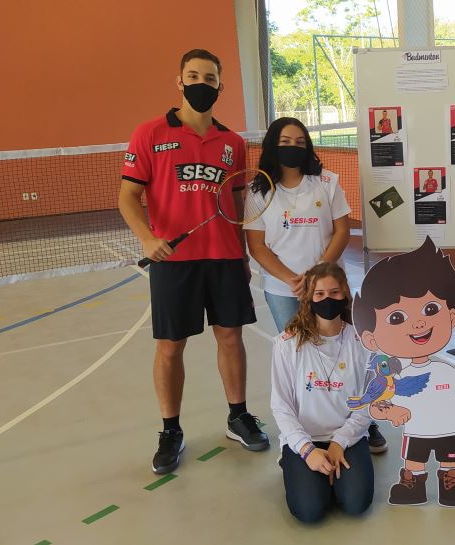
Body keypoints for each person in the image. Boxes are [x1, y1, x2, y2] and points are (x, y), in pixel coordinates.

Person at [118, 48, 269, 475]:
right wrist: (147, 238)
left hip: (223, 256)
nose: (202, 83)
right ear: (180, 82)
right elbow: (127, 196)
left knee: (231, 338)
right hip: (174, 259)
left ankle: (238, 416)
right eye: (193, 75)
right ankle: (170, 430)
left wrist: (241, 254)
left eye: (210, 77)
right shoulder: (149, 134)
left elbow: (236, 201)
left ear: (220, 86)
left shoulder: (233, 144)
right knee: (170, 347)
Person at [246, 117, 387, 454]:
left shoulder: (326, 181)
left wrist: (318, 277)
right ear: (271, 146)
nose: (292, 147)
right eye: (284, 141)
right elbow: (258, 246)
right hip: (284, 290)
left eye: (299, 141)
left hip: (329, 287)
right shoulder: (258, 191)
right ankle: (306, 429)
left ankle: (364, 419)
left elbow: (341, 230)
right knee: (300, 354)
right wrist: (290, 278)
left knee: (349, 350)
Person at [354, 237, 455, 507]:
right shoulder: (392, 373)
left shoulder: (443, 371)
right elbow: (376, 404)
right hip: (415, 432)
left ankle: (451, 482)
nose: (418, 323)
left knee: (451, 460)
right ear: (371, 338)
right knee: (414, 461)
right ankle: (412, 483)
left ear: (451, 317)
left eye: (430, 309)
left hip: (448, 431)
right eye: (396, 317)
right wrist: (389, 411)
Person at [270, 262, 375, 523]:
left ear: (345, 295)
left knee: (355, 504)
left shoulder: (362, 341)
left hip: (347, 437)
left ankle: (332, 472)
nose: (327, 299)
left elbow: (368, 401)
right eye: (319, 294)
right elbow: (281, 406)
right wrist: (306, 450)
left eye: (334, 292)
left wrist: (340, 442)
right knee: (310, 511)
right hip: (304, 439)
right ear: (308, 298)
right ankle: (294, 463)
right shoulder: (288, 344)